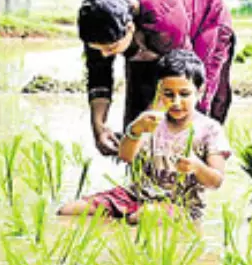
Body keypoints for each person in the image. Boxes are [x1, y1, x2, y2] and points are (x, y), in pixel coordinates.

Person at [58, 49, 231, 223]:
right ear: (159, 91)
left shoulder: (210, 130)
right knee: (68, 211)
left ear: (200, 91)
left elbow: (216, 181)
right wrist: (135, 131)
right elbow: (126, 156)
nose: (176, 102)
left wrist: (197, 167)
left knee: (141, 216)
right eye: (168, 94)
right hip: (135, 196)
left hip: (182, 205)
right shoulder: (150, 121)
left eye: (184, 94)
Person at [78, 0, 234, 157]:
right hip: (151, 27)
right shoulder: (98, 23)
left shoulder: (165, 23)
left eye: (110, 49)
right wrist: (99, 126)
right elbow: (98, 77)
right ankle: (143, 174)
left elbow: (181, 78)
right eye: (98, 49)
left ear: (130, 28)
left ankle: (191, 173)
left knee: (187, 103)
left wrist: (149, 127)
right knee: (136, 114)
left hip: (206, 19)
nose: (104, 54)